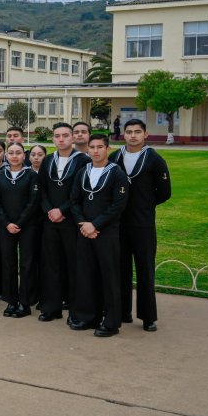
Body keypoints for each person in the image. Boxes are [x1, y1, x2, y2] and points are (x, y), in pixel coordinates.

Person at [110, 119, 171, 332]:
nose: (133, 135)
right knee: (120, 268)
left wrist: (145, 204)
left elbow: (164, 192)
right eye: (129, 132)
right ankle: (122, 311)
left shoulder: (154, 159)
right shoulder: (115, 157)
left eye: (137, 132)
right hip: (118, 223)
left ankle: (148, 317)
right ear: (123, 135)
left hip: (142, 224)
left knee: (145, 269)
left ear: (145, 134)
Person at [69, 134, 129, 337]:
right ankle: (88, 317)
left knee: (109, 277)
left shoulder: (116, 173)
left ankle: (111, 322)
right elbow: (74, 201)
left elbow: (118, 205)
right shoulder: (83, 171)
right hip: (84, 231)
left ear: (107, 149)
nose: (95, 151)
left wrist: (95, 225)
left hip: (106, 232)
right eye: (92, 147)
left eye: (99, 147)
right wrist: (83, 224)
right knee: (86, 275)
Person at [38, 123, 89, 324]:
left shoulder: (83, 160)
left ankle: (76, 311)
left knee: (74, 266)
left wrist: (62, 210)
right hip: (50, 220)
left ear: (72, 138)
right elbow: (41, 188)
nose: (61, 139)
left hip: (71, 221)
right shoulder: (48, 160)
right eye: (57, 136)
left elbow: (82, 191)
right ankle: (51, 308)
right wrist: (49, 210)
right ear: (53, 139)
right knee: (51, 265)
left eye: (65, 135)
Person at [0, 142, 41, 319]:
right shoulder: (0, 175)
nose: (14, 156)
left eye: (18, 153)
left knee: (27, 263)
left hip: (27, 225)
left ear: (24, 156)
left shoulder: (31, 175)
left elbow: (33, 202)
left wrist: (19, 222)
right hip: (5, 226)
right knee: (8, 263)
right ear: (6, 155)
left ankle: (25, 302)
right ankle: (11, 300)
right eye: (11, 153)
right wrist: (7, 223)